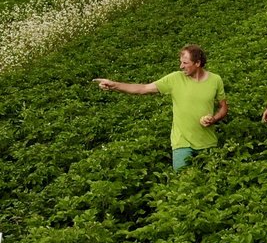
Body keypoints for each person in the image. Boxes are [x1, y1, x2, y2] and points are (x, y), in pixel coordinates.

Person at [93, 44, 228, 169]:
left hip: (207, 142)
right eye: (181, 62)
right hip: (181, 142)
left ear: (197, 63)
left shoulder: (215, 80)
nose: (181, 66)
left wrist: (213, 119)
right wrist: (114, 85)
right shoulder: (175, 79)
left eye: (185, 63)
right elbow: (143, 89)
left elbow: (223, 107)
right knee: (181, 181)